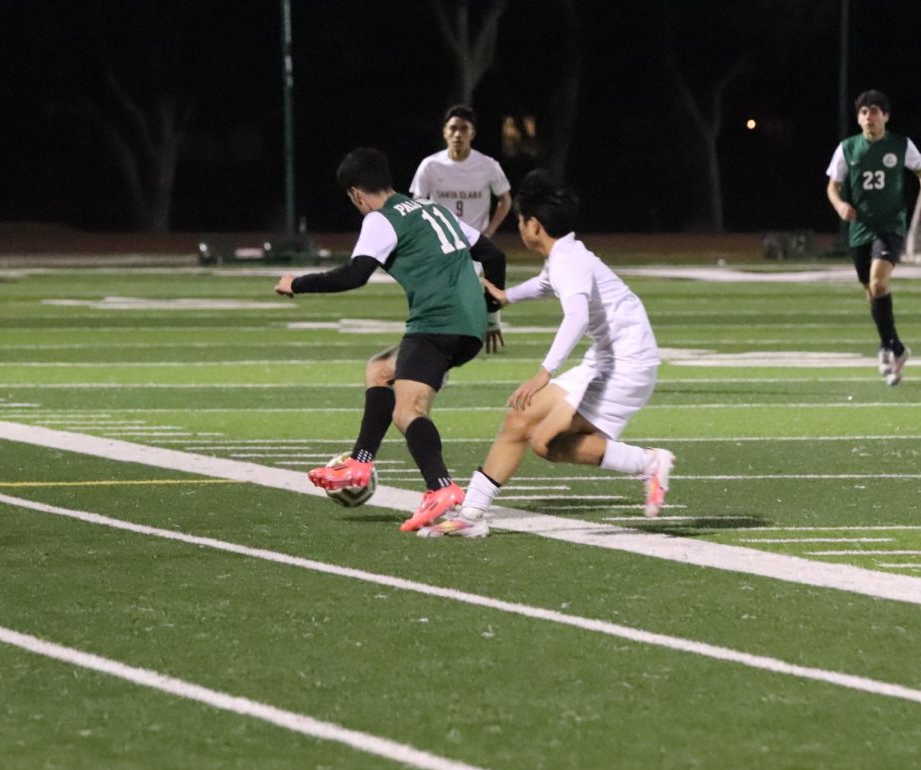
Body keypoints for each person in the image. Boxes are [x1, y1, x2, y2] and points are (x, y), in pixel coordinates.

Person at [418, 170, 674, 539]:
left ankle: (648, 463)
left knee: (545, 442)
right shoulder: (564, 254)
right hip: (608, 360)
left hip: (626, 366)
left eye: (521, 220)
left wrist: (544, 373)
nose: (519, 226)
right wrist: (508, 296)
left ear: (534, 225)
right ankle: (471, 515)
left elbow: (577, 315)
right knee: (520, 419)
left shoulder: (567, 260)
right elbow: (545, 283)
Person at [275, 147, 507, 532]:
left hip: (436, 322)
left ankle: (442, 488)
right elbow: (493, 254)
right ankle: (361, 462)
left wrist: (297, 283)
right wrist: (491, 314)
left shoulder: (381, 220)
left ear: (356, 194)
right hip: (469, 326)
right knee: (381, 369)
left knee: (408, 410)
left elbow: (354, 275)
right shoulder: (433, 209)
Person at [826, 89, 921, 386]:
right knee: (871, 293)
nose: (868, 117)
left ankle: (888, 348)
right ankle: (895, 347)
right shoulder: (848, 148)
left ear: (885, 116)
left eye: (874, 111)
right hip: (860, 229)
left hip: (890, 226)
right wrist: (840, 205)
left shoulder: (900, 145)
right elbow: (833, 186)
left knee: (879, 282)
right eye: (863, 112)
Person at [412, 105, 513, 353]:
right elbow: (417, 204)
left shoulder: (487, 165)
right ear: (445, 132)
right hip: (442, 242)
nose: (458, 134)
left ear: (472, 133)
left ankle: (490, 322)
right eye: (453, 128)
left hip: (475, 242)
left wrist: (489, 231)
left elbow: (506, 199)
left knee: (482, 283)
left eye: (463, 129)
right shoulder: (430, 166)